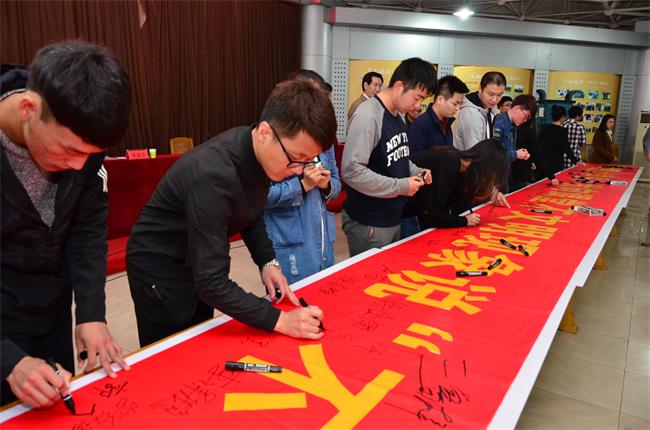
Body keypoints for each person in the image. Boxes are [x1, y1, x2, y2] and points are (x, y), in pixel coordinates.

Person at [126, 79, 337, 348]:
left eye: (307, 162)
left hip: (199, 253)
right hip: (161, 265)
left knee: (201, 334)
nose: (298, 171)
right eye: (296, 159)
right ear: (265, 132)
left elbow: (251, 208)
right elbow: (211, 282)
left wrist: (267, 262)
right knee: (174, 348)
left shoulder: (257, 151)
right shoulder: (213, 176)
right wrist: (280, 320)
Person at [0, 41, 131, 408]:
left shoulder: (80, 134)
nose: (78, 166)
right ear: (28, 109)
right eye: (69, 151)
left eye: (89, 155)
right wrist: (8, 360)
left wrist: (91, 314)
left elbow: (87, 229)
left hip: (51, 309)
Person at [341, 57, 436, 257]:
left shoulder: (397, 114)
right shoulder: (369, 116)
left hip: (391, 215)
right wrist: (401, 186)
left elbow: (397, 157)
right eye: (417, 98)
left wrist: (417, 171)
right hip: (370, 220)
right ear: (399, 86)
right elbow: (352, 171)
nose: (418, 105)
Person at [263, 70, 341, 285]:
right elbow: (261, 196)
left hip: (323, 239)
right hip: (290, 243)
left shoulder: (323, 138)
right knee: (293, 296)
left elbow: (336, 182)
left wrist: (326, 185)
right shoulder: (273, 139)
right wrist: (302, 185)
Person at [406, 140, 509, 229]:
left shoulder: (462, 166)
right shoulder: (449, 165)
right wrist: (464, 221)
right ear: (486, 167)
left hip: (415, 210)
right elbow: (433, 215)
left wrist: (490, 192)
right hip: (404, 208)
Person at [408, 75, 469, 152]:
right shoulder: (420, 126)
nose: (457, 108)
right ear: (440, 99)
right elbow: (414, 158)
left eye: (460, 104)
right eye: (455, 104)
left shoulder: (447, 123)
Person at [453, 71, 506, 151]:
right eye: (491, 94)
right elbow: (474, 152)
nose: (494, 100)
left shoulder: (490, 110)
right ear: (480, 89)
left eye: (499, 95)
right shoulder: (471, 114)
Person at [538, 105, 579, 174]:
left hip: (543, 163)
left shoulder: (544, 127)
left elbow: (538, 145)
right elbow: (566, 148)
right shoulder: (562, 131)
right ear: (562, 117)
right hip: (556, 163)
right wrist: (576, 161)